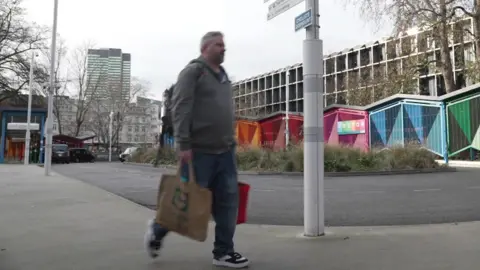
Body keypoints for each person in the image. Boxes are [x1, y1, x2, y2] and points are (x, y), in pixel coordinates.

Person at [144, 31, 250, 269]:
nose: (224, 48)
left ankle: (223, 252)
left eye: (224, 44)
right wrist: (183, 144)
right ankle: (157, 229)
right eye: (218, 44)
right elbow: (180, 107)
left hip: (225, 152)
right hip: (198, 152)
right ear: (205, 48)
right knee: (186, 202)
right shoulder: (193, 72)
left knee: (227, 203)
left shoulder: (224, 77)